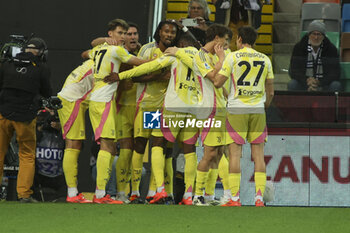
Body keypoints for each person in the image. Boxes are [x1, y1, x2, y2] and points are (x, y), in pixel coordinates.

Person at [105, 32, 201, 205]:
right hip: (193, 109)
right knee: (187, 151)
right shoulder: (203, 59)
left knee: (154, 145)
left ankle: (156, 191)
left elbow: (147, 68)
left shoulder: (174, 56)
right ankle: (187, 195)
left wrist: (121, 76)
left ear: (179, 45)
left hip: (162, 107)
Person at [214, 26, 274, 207]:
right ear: (254, 41)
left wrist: (221, 60)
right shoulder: (265, 59)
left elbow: (217, 82)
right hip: (257, 110)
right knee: (259, 155)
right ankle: (258, 199)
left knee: (234, 155)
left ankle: (235, 198)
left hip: (236, 110)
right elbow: (270, 92)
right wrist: (263, 106)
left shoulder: (232, 57)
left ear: (239, 39)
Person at [88, 18, 146, 204]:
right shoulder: (117, 50)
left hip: (149, 107)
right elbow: (144, 64)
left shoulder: (147, 49)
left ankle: (143, 192)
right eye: (124, 33)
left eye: (132, 33)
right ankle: (119, 193)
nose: (129, 37)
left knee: (148, 148)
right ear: (112, 34)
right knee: (122, 149)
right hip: (119, 105)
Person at [0, 37, 52, 203]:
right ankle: (24, 194)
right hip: (25, 117)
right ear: (40, 52)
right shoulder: (41, 68)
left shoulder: (6, 65)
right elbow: (47, 92)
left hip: (3, 114)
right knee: (27, 155)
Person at [187, 24, 231, 206]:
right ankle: (197, 195)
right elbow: (214, 77)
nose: (227, 44)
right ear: (217, 38)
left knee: (218, 153)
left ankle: (210, 195)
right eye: (225, 40)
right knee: (209, 153)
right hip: (208, 109)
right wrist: (222, 58)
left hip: (220, 108)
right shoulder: (201, 56)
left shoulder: (214, 56)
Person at [57, 59, 94, 203]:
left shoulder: (99, 52)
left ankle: (73, 192)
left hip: (72, 97)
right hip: (73, 99)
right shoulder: (111, 54)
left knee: (74, 144)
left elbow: (85, 52)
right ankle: (72, 194)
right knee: (72, 144)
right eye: (121, 33)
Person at [288, 20, 341, 92]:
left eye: (319, 34)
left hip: (324, 84)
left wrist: (319, 82)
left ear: (323, 36)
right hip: (304, 83)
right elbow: (294, 70)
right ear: (309, 35)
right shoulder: (299, 47)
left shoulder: (331, 49)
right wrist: (307, 80)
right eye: (314, 34)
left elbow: (335, 72)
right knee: (292, 84)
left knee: (336, 85)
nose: (316, 37)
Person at [33, 109, 66, 202]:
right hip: (38, 175)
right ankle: (29, 197)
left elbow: (77, 147)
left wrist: (62, 129)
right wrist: (39, 129)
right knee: (28, 172)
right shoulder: (36, 133)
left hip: (58, 175)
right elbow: (26, 145)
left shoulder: (61, 134)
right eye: (41, 118)